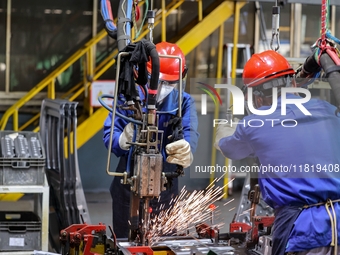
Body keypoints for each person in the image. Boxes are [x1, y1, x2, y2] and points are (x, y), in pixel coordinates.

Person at [214, 50, 340, 255]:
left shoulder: (255, 123)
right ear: (292, 83)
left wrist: (227, 124)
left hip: (303, 231)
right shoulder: (327, 109)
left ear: (257, 96)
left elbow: (229, 148)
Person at [103, 42, 199, 238]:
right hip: (129, 182)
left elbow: (190, 132)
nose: (162, 88)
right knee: (124, 242)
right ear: (146, 74)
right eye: (158, 81)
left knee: (164, 243)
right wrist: (121, 140)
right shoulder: (128, 97)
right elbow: (109, 134)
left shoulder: (184, 101)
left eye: (169, 83)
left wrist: (187, 149)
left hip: (166, 185)